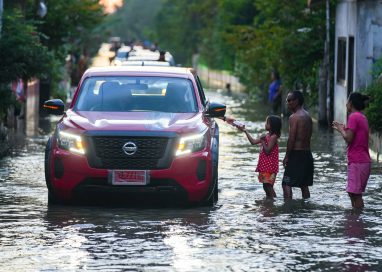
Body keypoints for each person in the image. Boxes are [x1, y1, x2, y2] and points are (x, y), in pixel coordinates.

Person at [223, 115, 281, 198]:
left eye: (267, 123)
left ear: (272, 125)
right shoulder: (267, 135)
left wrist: (263, 141)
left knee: (269, 187)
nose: (265, 124)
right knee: (265, 186)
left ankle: (273, 202)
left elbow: (268, 151)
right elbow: (253, 142)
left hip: (270, 167)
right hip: (264, 166)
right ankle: (269, 204)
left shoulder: (273, 137)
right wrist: (245, 131)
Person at [332, 92, 371, 209]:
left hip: (358, 161)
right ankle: (355, 219)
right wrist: (344, 128)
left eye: (347, 102)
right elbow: (354, 136)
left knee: (355, 194)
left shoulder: (353, 117)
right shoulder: (362, 116)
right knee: (352, 192)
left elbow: (348, 138)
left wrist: (340, 129)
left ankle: (358, 220)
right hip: (362, 161)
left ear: (351, 103)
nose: (346, 104)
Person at [282, 91, 314, 199]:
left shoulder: (294, 117)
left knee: (286, 183)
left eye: (290, 100)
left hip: (296, 154)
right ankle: (306, 209)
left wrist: (287, 156)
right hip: (307, 154)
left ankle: (288, 208)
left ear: (297, 101)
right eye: (287, 100)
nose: (288, 102)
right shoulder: (308, 116)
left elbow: (292, 139)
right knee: (303, 185)